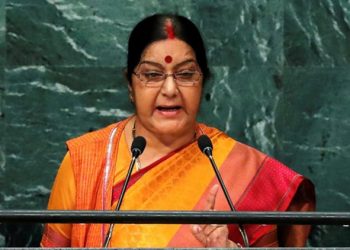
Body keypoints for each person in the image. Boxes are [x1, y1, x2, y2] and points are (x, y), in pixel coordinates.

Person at [41, 13, 315, 248]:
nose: (170, 90)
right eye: (152, 75)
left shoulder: (240, 167)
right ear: (130, 84)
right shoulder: (85, 161)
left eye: (185, 75)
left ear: (203, 81)